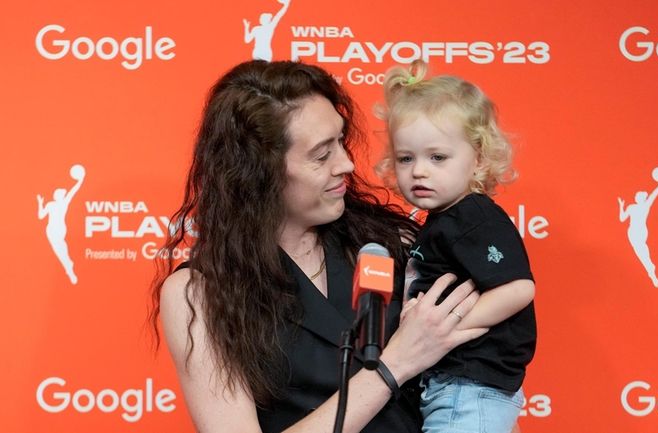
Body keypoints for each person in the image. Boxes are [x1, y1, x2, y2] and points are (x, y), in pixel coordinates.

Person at [149, 59, 488, 433]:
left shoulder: (396, 242)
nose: (346, 163)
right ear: (259, 171)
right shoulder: (198, 293)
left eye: (341, 141)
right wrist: (394, 364)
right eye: (322, 154)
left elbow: (483, 393)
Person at [376, 60, 536, 433]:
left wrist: (445, 327)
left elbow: (518, 288)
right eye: (406, 158)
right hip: (449, 386)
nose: (418, 171)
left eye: (437, 158)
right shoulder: (442, 220)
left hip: (471, 388)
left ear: (477, 157)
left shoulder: (473, 215)